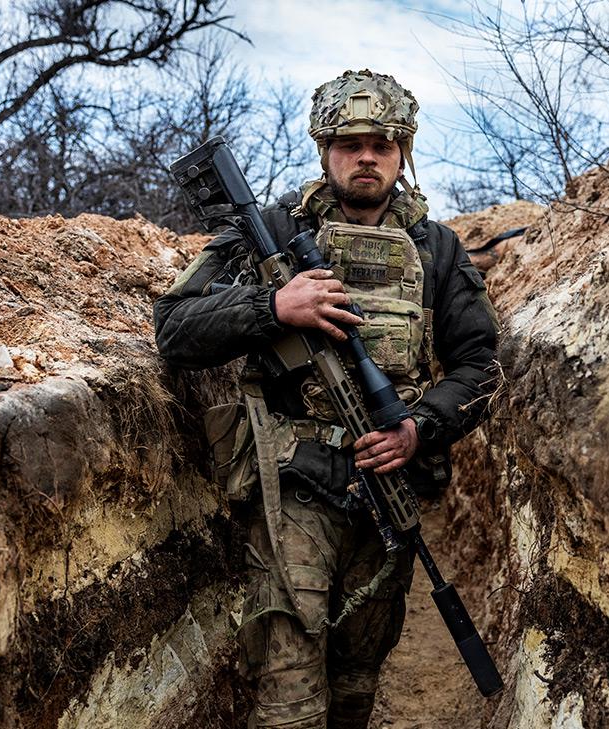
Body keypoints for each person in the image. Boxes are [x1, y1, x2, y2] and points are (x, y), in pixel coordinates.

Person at [153, 69, 498, 729]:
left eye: (381, 143)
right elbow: (175, 326)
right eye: (348, 143)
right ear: (323, 149)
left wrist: (418, 427)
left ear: (403, 152)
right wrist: (274, 306)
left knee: (356, 682)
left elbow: (479, 363)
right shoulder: (274, 229)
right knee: (287, 700)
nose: (365, 156)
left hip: (386, 490)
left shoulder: (437, 248)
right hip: (294, 488)